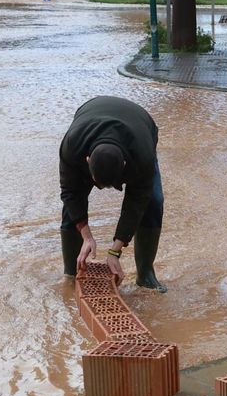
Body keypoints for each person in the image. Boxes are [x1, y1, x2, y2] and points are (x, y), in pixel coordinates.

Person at [59, 96, 168, 291]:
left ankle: (145, 274)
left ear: (124, 166)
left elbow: (136, 203)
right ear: (87, 160)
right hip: (89, 116)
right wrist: (87, 236)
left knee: (152, 201)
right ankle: (71, 272)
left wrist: (115, 251)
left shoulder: (142, 155)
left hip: (141, 125)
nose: (101, 189)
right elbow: (69, 193)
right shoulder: (72, 145)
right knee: (73, 202)